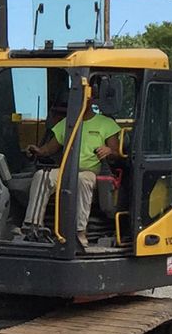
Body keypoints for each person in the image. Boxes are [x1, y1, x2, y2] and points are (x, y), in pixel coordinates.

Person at [25, 103, 122, 249]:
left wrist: (109, 151)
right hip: (67, 171)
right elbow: (49, 149)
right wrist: (37, 150)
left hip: (92, 172)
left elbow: (117, 153)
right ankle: (33, 226)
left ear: (91, 98)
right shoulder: (67, 123)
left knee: (82, 179)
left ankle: (79, 232)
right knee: (42, 175)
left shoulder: (106, 124)